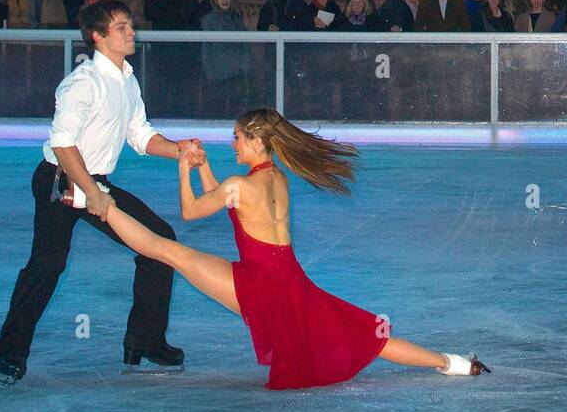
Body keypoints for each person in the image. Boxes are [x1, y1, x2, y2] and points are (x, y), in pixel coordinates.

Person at [100, 108, 490, 389]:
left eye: (237, 137)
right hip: (292, 283)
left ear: (255, 141)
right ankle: (453, 362)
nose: (232, 143)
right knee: (371, 338)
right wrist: (203, 167)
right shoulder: (275, 180)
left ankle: (93, 200)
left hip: (260, 285)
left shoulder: (240, 184)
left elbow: (189, 211)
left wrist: (183, 166)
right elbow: (224, 197)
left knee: (168, 251)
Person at [0, 0, 199, 385]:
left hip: (94, 179)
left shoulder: (128, 80)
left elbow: (139, 135)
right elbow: (63, 144)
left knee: (159, 243)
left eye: (130, 24)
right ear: (99, 36)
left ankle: (145, 342)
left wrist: (178, 149)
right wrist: (93, 193)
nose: (131, 31)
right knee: (47, 264)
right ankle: (9, 353)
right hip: (60, 180)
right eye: (122, 27)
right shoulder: (82, 83)